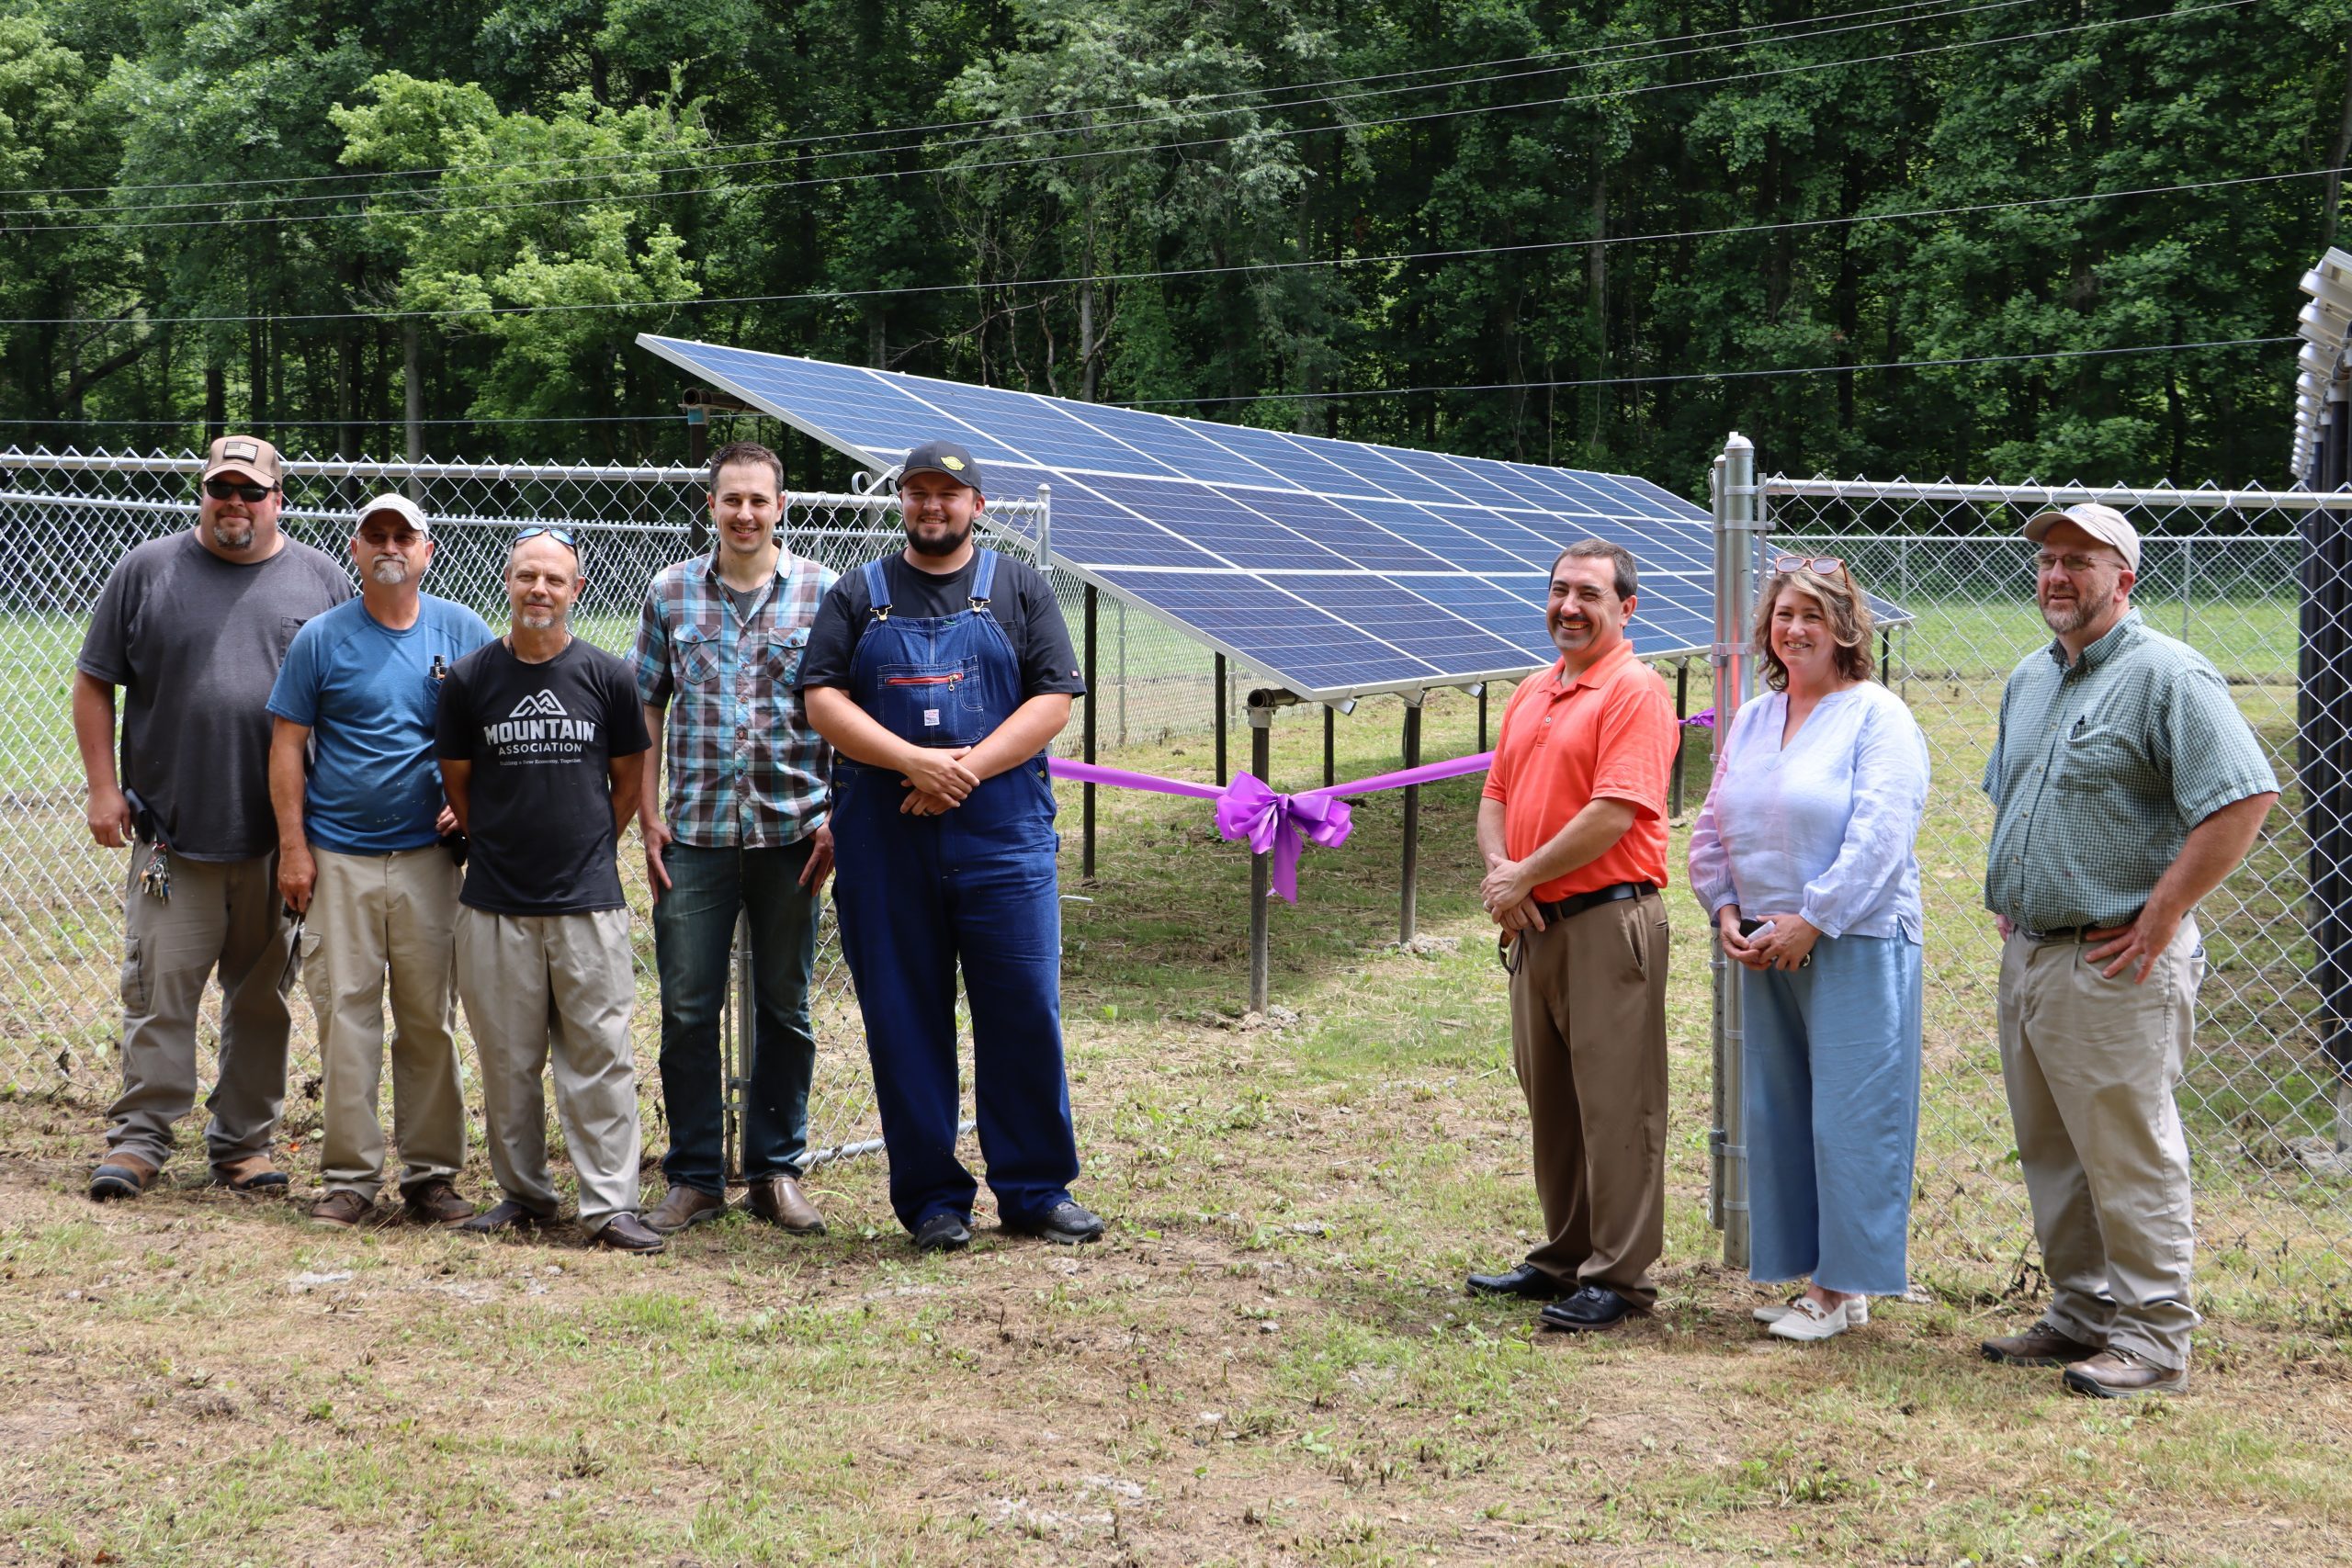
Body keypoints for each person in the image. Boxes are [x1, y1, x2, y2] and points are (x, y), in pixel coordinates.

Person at [1978, 502, 2278, 1396]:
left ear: (2124, 578)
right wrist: (2020, 894)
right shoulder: (2030, 678)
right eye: (2046, 560)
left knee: (2127, 1152)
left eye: (2079, 560)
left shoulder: (2167, 677)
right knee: (2052, 1149)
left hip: (2116, 963)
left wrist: (2161, 915)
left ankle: (2151, 1340)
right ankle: (2082, 1311)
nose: (2056, 576)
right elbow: (2015, 794)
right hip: (2033, 954)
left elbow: (2241, 800)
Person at [800, 440, 1099, 1252]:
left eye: (949, 493)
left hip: (1002, 840)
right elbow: (822, 698)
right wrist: (910, 761)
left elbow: (1053, 699)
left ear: (976, 505)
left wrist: (962, 771)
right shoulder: (858, 593)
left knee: (1023, 1012)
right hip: (885, 845)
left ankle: (1036, 1189)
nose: (933, 506)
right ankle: (933, 1199)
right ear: (902, 500)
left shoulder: (1018, 587)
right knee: (904, 1020)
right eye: (918, 492)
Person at [74, 435, 353, 1201]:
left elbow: (350, 700)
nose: (235, 502)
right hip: (171, 835)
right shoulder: (147, 570)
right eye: (220, 488)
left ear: (278, 499)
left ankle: (243, 1143)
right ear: (203, 494)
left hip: (278, 841)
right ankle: (140, 1139)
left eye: (251, 491)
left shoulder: (321, 579)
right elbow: (95, 681)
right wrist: (104, 789)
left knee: (262, 996)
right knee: (159, 990)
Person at [1687, 557, 1929, 1341]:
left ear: (1846, 629)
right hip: (1765, 943)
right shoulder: (1756, 717)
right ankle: (1812, 1276)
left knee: (1851, 1116)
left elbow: (1883, 834)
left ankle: (1840, 1288)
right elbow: (1713, 820)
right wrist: (1724, 904)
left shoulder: (1877, 716)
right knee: (1782, 1109)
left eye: (1814, 616)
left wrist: (1816, 917)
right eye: (1785, 614)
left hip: (1852, 936)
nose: (1796, 628)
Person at [1468, 539, 1679, 1331]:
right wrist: (1505, 877)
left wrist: (1524, 877)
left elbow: (1614, 811)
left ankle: (1620, 1277)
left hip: (1605, 920)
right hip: (1533, 924)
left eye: (1589, 593)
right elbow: (1496, 793)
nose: (1569, 606)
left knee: (1616, 1104)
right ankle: (1564, 1254)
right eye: (1559, 590)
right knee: (1551, 1098)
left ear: (1627, 607)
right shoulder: (1532, 689)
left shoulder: (1635, 690)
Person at [267, 493, 493, 1228]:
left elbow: (500, 725)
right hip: (339, 859)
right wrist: (294, 849)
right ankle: (349, 1178)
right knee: (347, 1017)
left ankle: (431, 1175)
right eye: (376, 535)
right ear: (355, 551)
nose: (391, 544)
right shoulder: (322, 639)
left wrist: (474, 801)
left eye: (405, 534)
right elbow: (288, 746)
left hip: (431, 859)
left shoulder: (461, 630)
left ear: (429, 550)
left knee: (429, 1017)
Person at [435, 527, 662, 1253]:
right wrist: (499, 842)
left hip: (587, 899)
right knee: (507, 1057)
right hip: (495, 899)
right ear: (508, 582)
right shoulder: (470, 680)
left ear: (576, 590)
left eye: (554, 579)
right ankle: (524, 1193)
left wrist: (590, 840)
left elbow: (628, 780)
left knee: (599, 1053)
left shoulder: (607, 676)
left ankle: (608, 1204)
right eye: (527, 575)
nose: (540, 589)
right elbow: (459, 784)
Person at [635, 442, 835, 1236]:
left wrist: (839, 815)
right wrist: (646, 813)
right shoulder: (670, 592)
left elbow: (847, 710)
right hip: (696, 835)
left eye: (759, 499)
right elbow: (646, 703)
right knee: (687, 1007)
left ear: (781, 506)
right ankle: (694, 1176)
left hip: (795, 833)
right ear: (710, 505)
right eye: (731, 500)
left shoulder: (823, 594)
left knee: (785, 1006)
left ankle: (775, 1169)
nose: (745, 513)